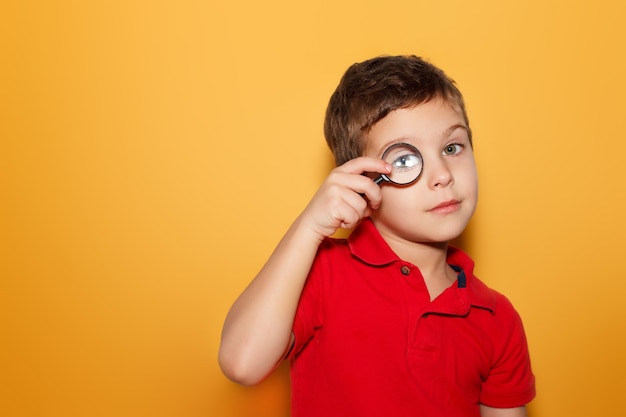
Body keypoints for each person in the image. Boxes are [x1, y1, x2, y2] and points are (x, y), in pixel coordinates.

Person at [218, 55, 535, 417]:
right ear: (363, 179)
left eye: (452, 148)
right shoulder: (321, 274)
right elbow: (242, 363)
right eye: (404, 160)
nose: (443, 174)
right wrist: (309, 226)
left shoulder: (497, 317)